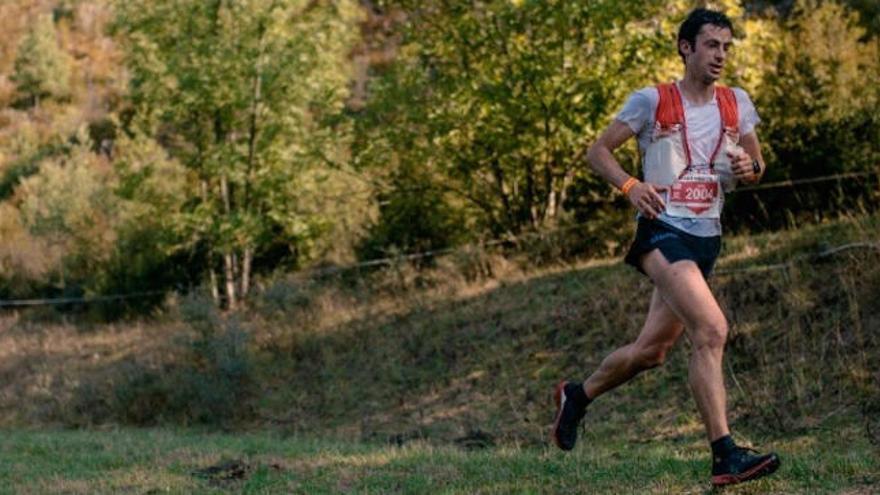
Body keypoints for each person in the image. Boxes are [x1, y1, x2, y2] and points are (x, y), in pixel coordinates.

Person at [551, 8, 780, 487]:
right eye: (711, 45)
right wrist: (630, 185)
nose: (720, 55)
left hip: (706, 238)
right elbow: (598, 152)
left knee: (651, 351)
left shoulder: (737, 103)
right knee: (712, 328)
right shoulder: (652, 100)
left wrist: (749, 170)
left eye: (726, 47)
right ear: (686, 47)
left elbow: (758, 164)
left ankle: (578, 395)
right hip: (661, 231)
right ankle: (725, 454)